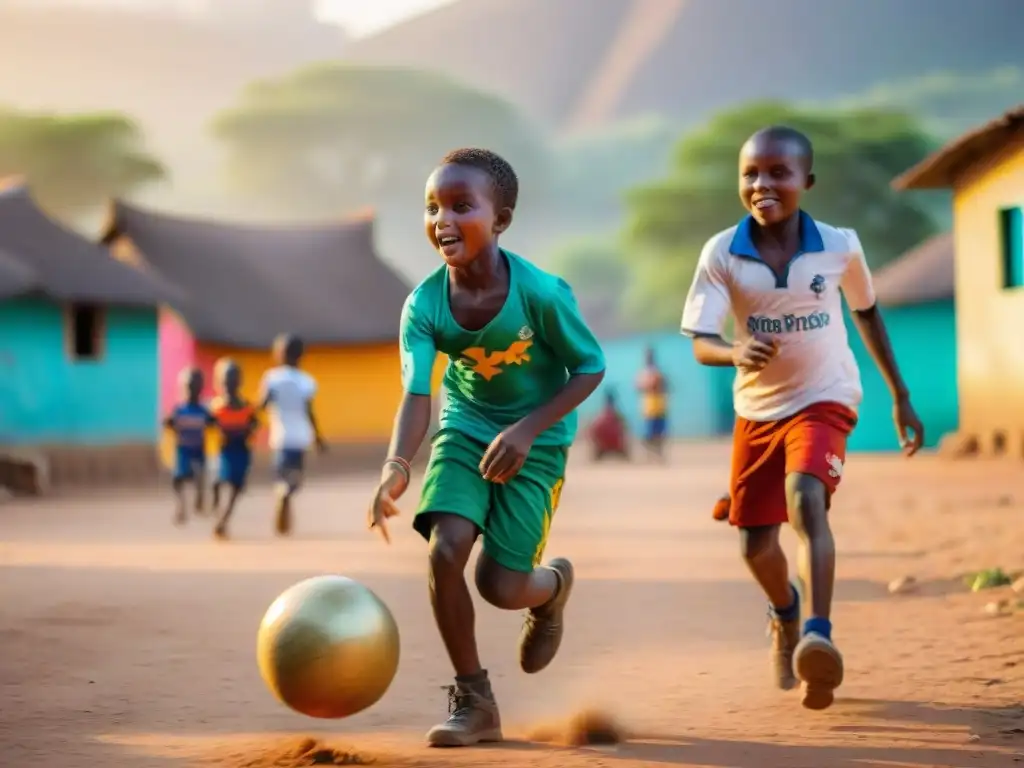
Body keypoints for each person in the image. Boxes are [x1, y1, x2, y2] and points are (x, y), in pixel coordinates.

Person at [367, 148, 605, 748]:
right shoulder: (424, 305)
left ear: (500, 220)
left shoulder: (542, 294)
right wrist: (397, 467)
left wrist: (526, 430)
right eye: (432, 207)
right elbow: (417, 394)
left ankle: (552, 589)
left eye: (460, 206)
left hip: (539, 439)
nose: (442, 220)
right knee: (446, 550)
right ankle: (474, 700)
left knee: (499, 586)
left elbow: (590, 366)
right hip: (466, 425)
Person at [680, 125, 924, 711]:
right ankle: (786, 612)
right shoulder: (722, 253)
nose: (762, 184)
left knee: (804, 499)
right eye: (750, 174)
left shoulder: (840, 246)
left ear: (806, 182)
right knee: (754, 546)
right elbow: (701, 341)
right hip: (757, 410)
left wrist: (899, 394)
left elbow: (867, 313)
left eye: (778, 173)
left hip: (826, 396)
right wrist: (734, 352)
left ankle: (819, 636)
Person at [258, 334, 326, 536]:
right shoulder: (306, 381)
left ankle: (282, 491)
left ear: (278, 354)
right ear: (301, 355)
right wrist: (318, 438)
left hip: (280, 438)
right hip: (300, 438)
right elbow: (309, 412)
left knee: (280, 475)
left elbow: (262, 404)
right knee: (296, 477)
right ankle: (288, 492)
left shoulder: (272, 378)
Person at [210, 357, 259, 539]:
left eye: (232, 380)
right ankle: (218, 512)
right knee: (217, 482)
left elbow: (255, 423)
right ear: (219, 383)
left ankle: (224, 519)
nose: (229, 384)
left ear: (239, 381)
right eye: (225, 381)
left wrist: (249, 431)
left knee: (235, 488)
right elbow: (209, 424)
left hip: (242, 452)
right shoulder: (216, 407)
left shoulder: (247, 407)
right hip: (225, 451)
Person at [163, 367, 214, 525]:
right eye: (188, 386)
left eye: (195, 387)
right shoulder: (179, 409)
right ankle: (181, 505)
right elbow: (169, 422)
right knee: (177, 479)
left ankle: (199, 497)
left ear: (200, 389)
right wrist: (169, 423)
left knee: (200, 476)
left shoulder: (203, 409)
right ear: (183, 388)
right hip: (183, 451)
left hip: (198, 450)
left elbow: (212, 423)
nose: (191, 390)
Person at [635, 345, 669, 461]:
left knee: (659, 434)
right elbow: (639, 386)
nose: (648, 357)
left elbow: (663, 386)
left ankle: (658, 455)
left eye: (650, 355)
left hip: (659, 406)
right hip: (649, 407)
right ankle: (650, 455)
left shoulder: (657, 372)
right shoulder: (644, 373)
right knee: (649, 435)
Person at [588, 389, 629, 461]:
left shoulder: (602, 416)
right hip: (615, 445)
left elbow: (593, 431)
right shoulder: (616, 416)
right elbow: (625, 429)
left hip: (603, 445)